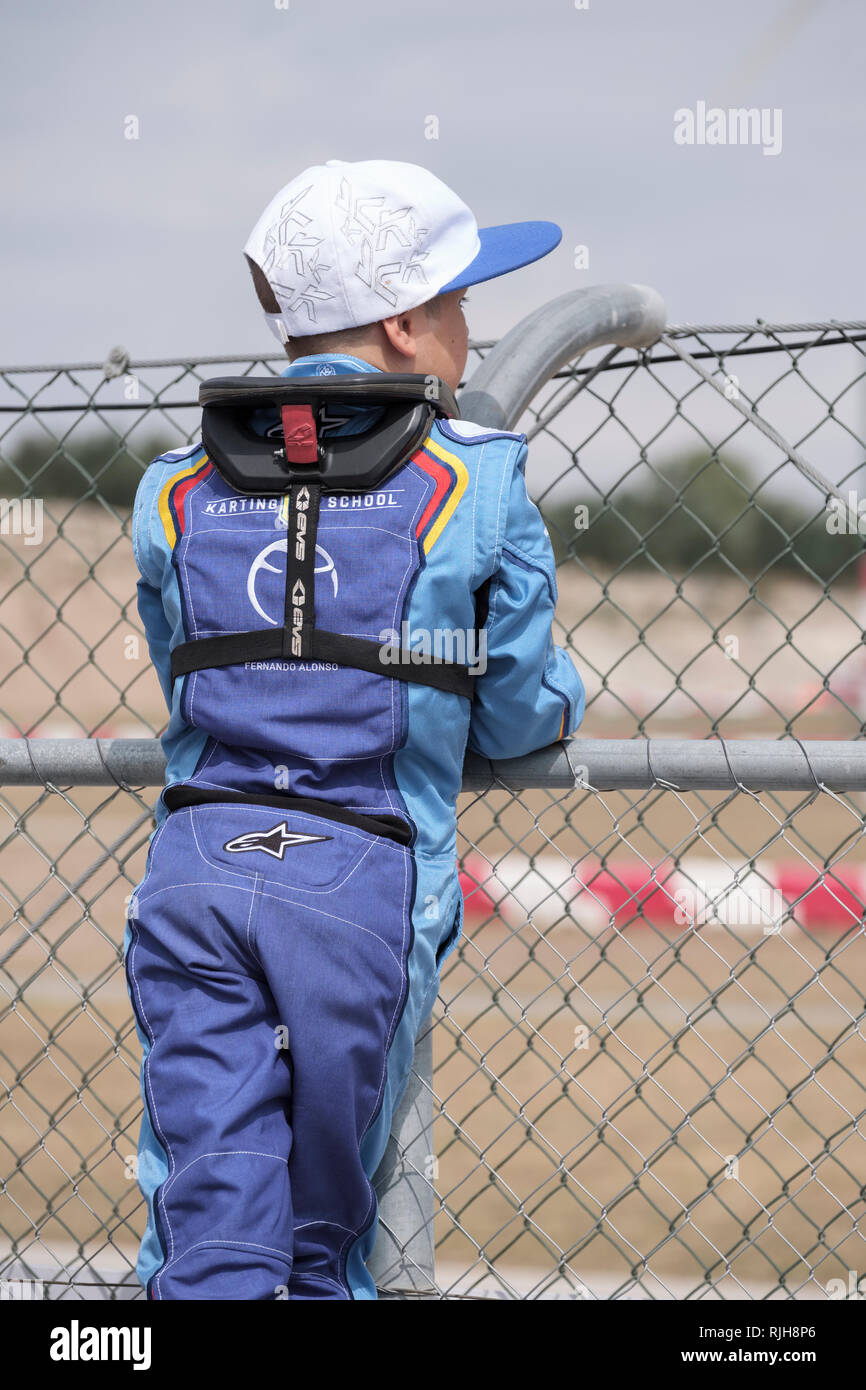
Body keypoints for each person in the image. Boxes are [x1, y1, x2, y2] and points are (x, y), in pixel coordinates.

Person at [125, 158, 584, 1300]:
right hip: (358, 881)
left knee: (210, 1220)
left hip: (190, 868)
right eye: (459, 301)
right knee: (322, 1247)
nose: (471, 326)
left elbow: (183, 667)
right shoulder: (473, 480)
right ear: (403, 324)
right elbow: (522, 708)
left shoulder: (172, 484)